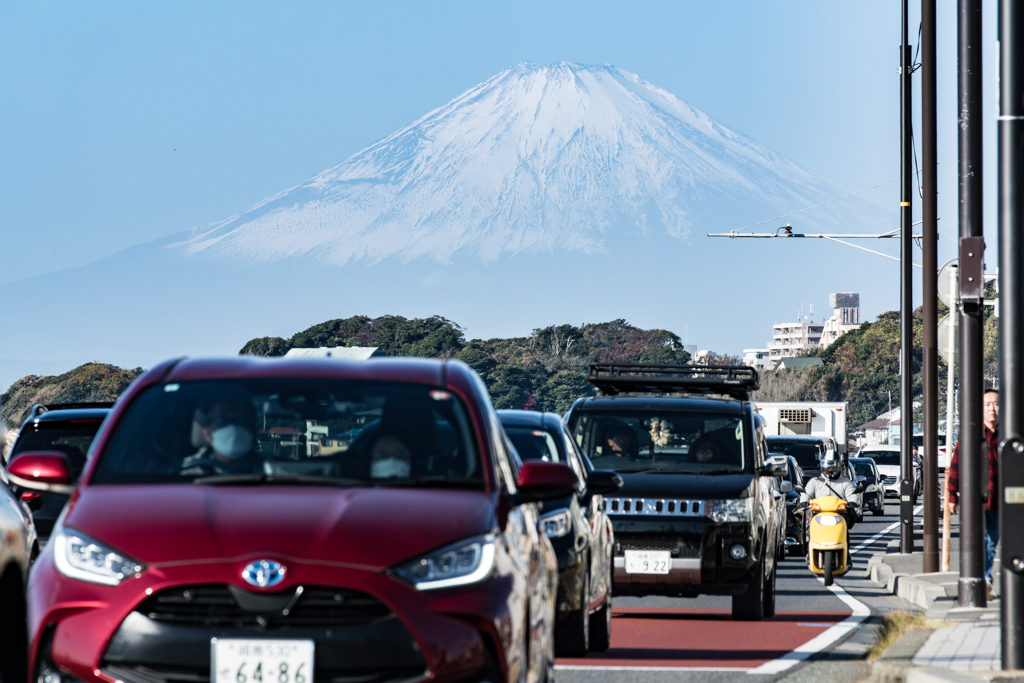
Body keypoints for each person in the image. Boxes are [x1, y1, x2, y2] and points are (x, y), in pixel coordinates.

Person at [947, 388, 1000, 587]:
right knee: (983, 541)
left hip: (1002, 500)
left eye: (996, 404)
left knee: (992, 543)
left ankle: (983, 578)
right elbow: (956, 464)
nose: (992, 409)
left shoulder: (1009, 433)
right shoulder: (971, 434)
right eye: (987, 404)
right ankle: (984, 580)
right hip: (976, 498)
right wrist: (952, 495)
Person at [181, 395, 263, 476]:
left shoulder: (271, 472)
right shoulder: (185, 472)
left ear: (254, 430)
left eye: (242, 420)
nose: (233, 428)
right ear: (207, 432)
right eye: (222, 420)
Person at [800, 456, 860, 529]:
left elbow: (851, 493)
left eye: (832, 468)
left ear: (838, 467)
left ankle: (844, 537)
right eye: (827, 468)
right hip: (818, 512)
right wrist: (804, 501)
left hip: (839, 512)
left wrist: (852, 501)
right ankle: (809, 538)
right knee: (806, 523)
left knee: (849, 518)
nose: (829, 470)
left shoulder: (846, 482)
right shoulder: (814, 481)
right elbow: (806, 493)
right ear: (822, 467)